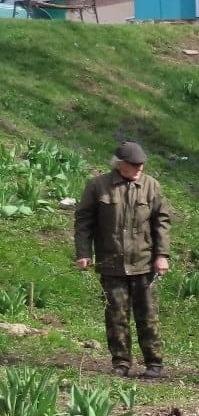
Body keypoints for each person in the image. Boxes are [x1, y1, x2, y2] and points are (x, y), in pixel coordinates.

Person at [73, 141, 172, 378]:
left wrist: (162, 255)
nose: (139, 168)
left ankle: (154, 363)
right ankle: (121, 362)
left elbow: (162, 222)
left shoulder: (151, 186)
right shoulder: (98, 186)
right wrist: (84, 253)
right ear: (119, 164)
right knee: (116, 316)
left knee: (147, 315)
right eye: (133, 164)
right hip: (111, 263)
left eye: (141, 164)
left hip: (144, 262)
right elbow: (84, 221)